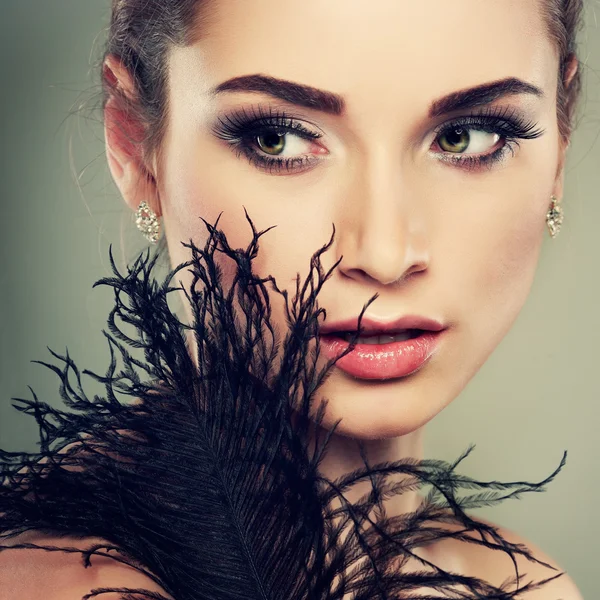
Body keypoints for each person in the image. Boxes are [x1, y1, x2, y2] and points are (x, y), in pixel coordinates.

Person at [0, 0, 587, 598]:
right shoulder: (67, 585)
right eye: (277, 140)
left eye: (467, 137)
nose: (385, 255)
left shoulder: (525, 583)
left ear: (560, 144)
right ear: (132, 142)